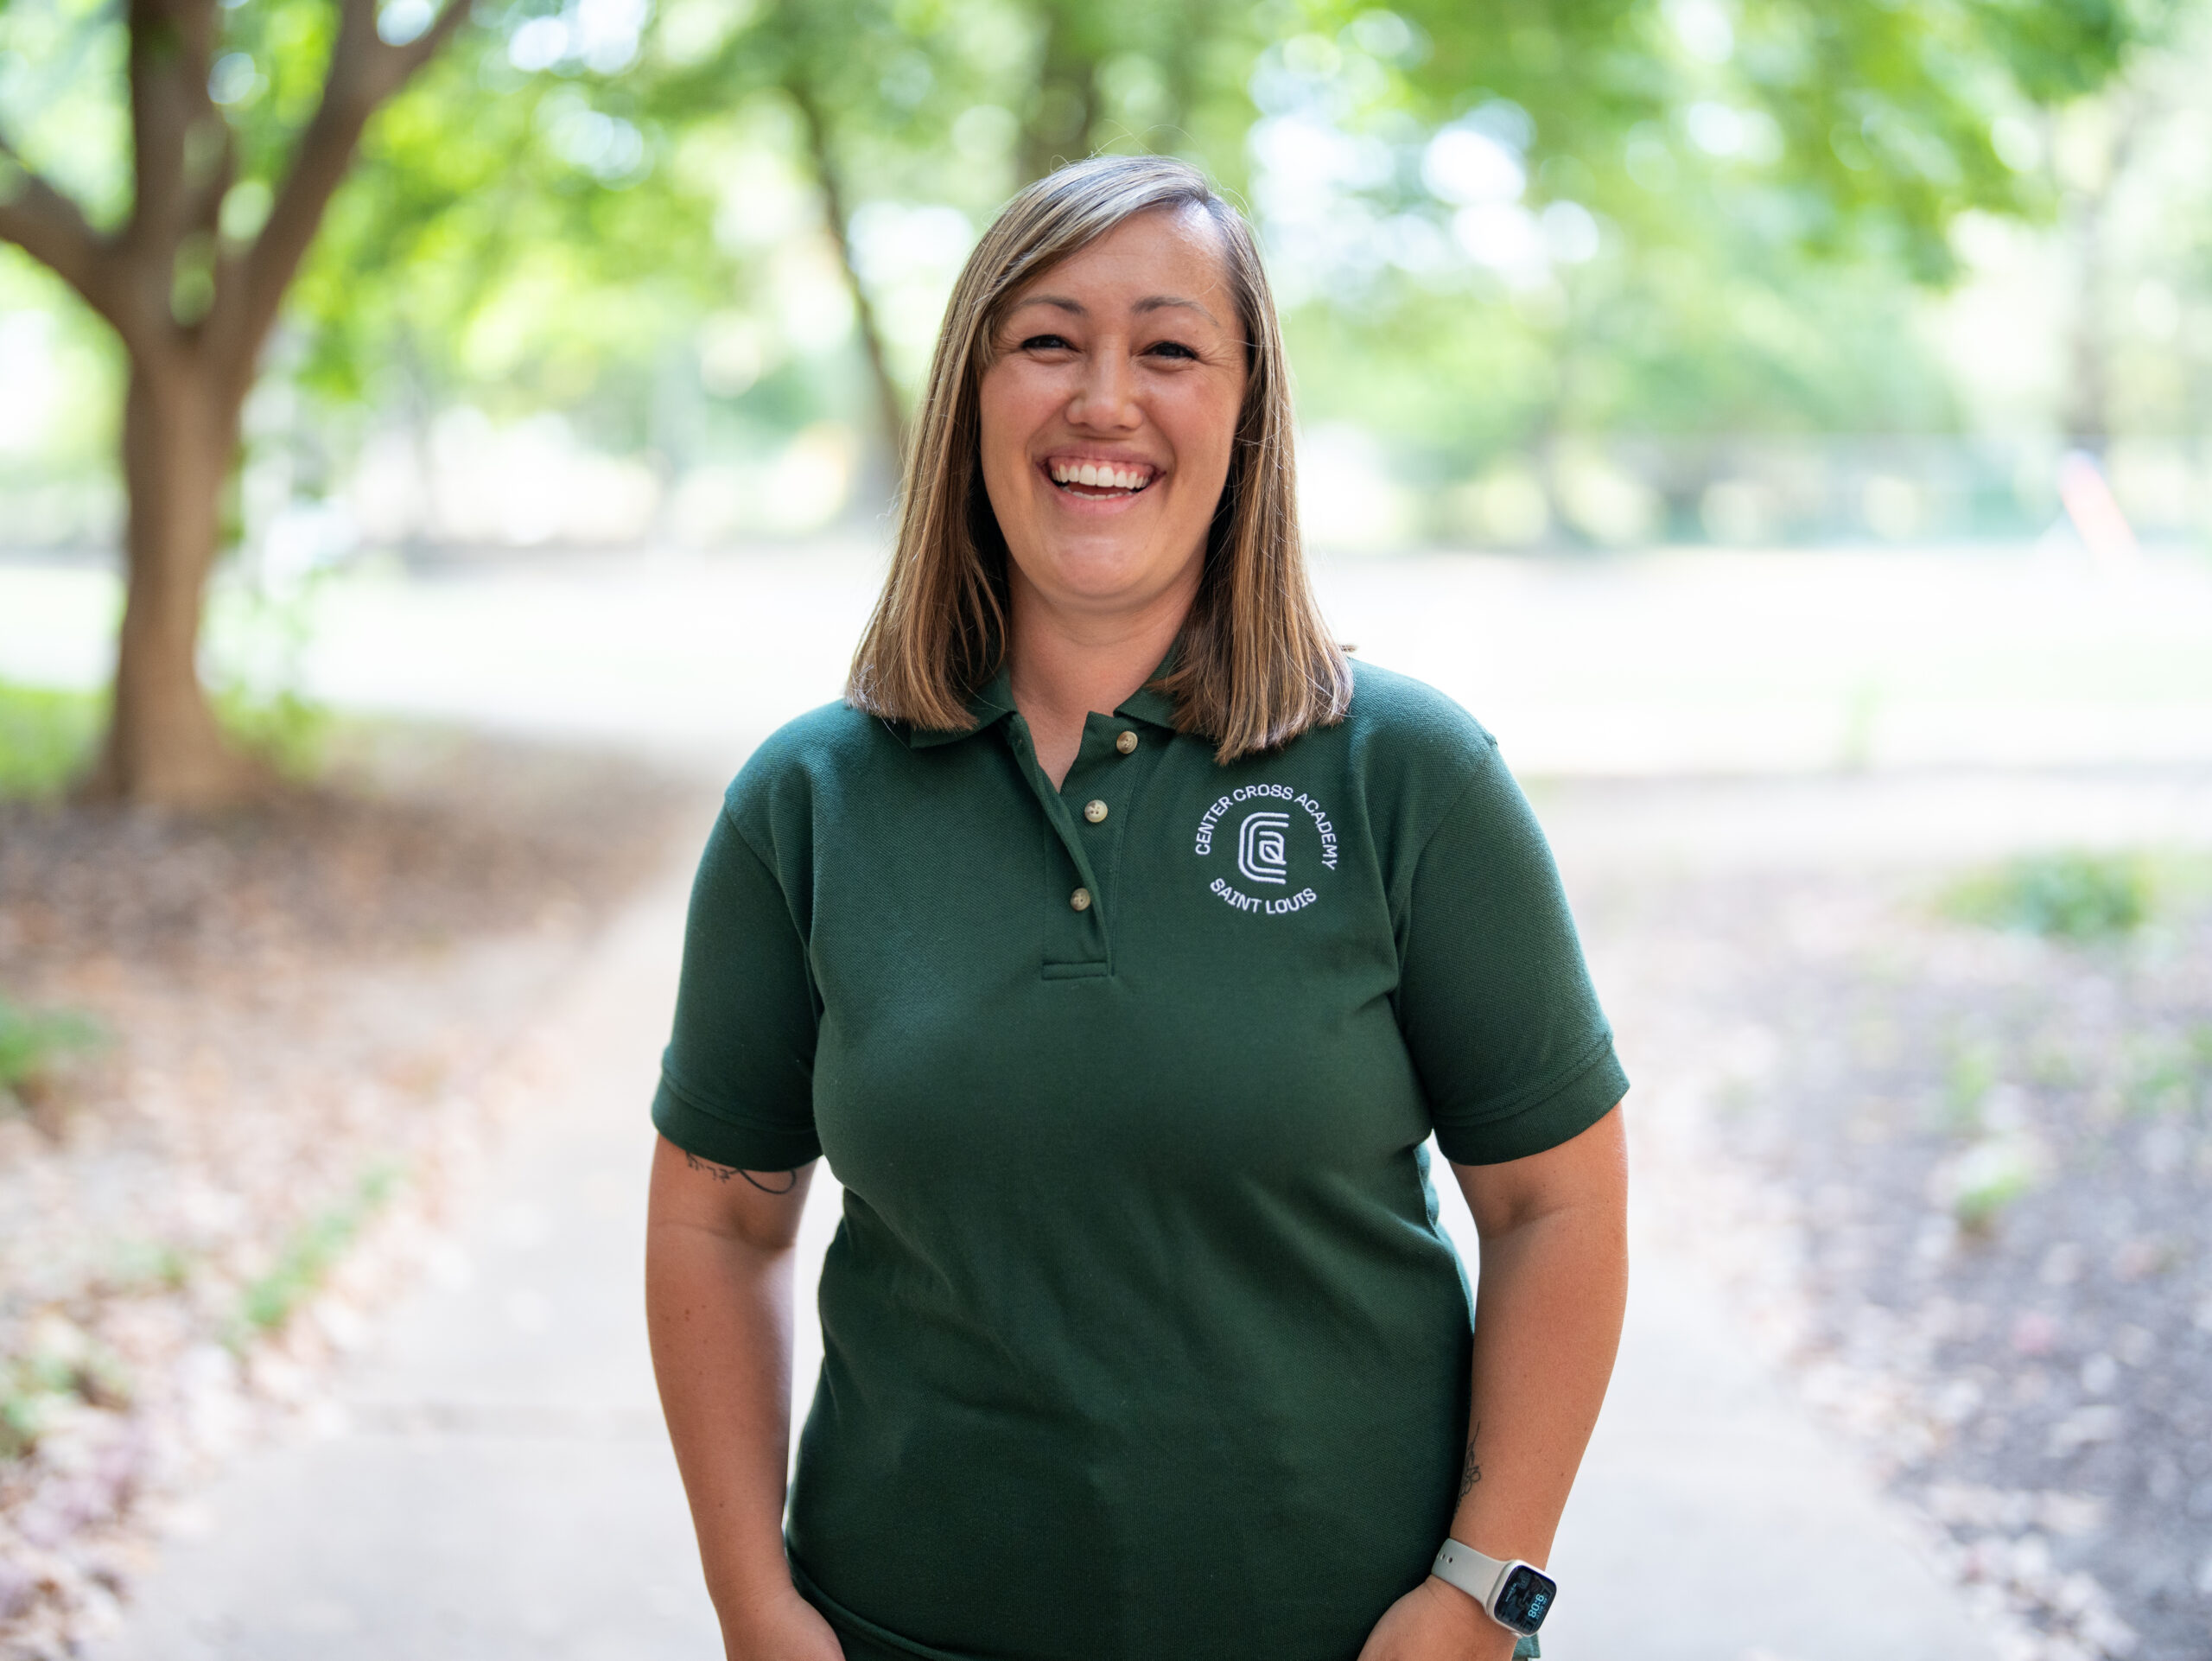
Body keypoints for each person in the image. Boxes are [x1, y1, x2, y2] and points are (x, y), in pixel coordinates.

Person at [643, 154, 1630, 1661]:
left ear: (1247, 417)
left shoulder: (1407, 776)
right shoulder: (810, 802)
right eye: (1049, 341)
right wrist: (752, 1603)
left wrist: (1481, 1592)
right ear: (973, 396)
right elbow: (718, 1218)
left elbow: (1555, 1200)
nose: (1105, 399)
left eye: (1169, 349)